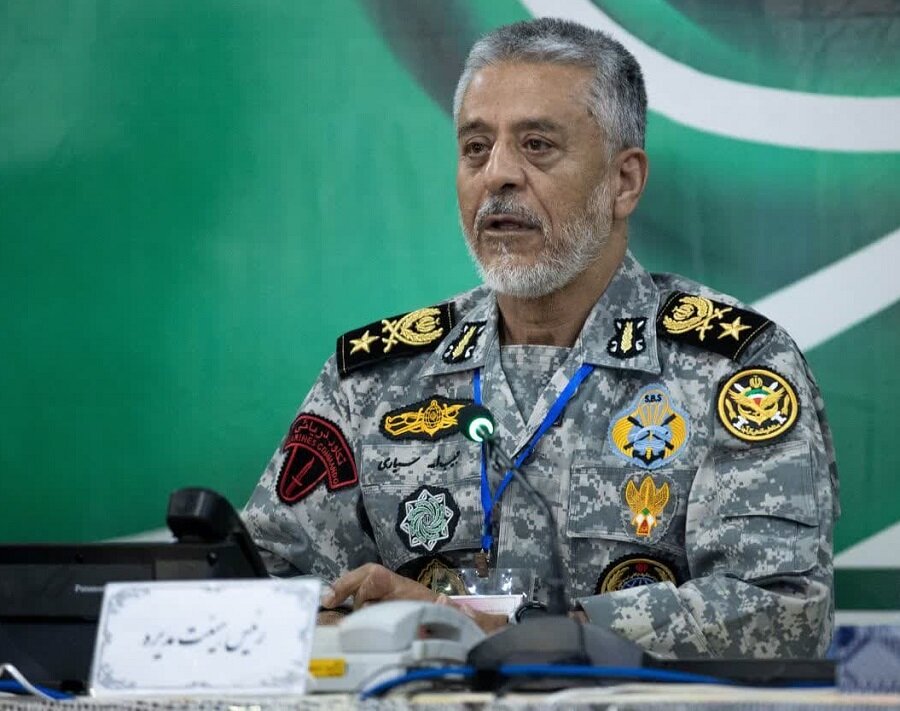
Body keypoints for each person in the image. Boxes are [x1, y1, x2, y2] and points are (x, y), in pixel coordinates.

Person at [243, 18, 838, 659]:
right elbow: (260, 589)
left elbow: (784, 612)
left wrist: (518, 636)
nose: (497, 174)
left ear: (623, 182)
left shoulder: (735, 368)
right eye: (476, 148)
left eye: (536, 145)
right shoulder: (373, 376)